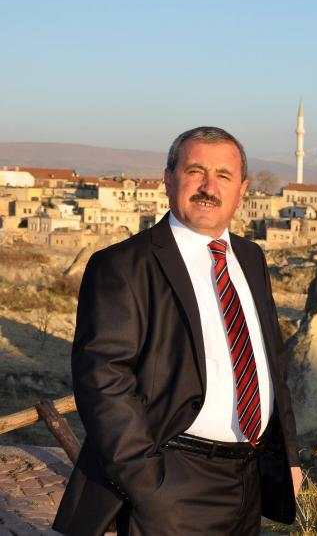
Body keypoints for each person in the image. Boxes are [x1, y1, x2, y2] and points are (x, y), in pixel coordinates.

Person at [53, 127, 302, 535]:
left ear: (242, 190)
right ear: (169, 179)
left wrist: (288, 457)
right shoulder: (124, 265)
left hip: (249, 480)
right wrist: (150, 486)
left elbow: (272, 365)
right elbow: (103, 381)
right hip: (174, 482)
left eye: (223, 175)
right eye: (195, 171)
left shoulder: (250, 257)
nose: (208, 187)